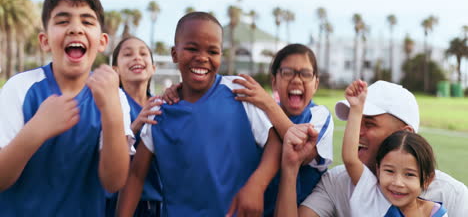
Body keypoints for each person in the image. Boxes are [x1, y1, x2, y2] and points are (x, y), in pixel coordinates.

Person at [117, 12, 293, 216]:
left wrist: (257, 185)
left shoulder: (238, 91)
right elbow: (136, 174)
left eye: (212, 51)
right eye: (192, 48)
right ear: (174, 54)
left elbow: (275, 142)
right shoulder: (159, 111)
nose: (202, 57)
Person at [0, 0, 134, 216]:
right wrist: (36, 130)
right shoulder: (20, 88)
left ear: (102, 41)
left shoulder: (114, 95)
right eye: (63, 21)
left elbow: (114, 181)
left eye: (87, 21)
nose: (75, 29)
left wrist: (111, 111)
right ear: (44, 40)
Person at [276, 80, 468, 217]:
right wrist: (291, 167)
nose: (356, 132)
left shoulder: (453, 195)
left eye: (369, 124)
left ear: (404, 134)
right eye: (354, 120)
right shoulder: (336, 182)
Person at [228, 43, 334, 214]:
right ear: (274, 81)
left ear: (315, 84)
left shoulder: (319, 115)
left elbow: (301, 150)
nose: (296, 79)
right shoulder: (259, 114)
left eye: (305, 74)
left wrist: (269, 103)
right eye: (287, 73)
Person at [342, 80, 447, 216]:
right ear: (378, 170)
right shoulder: (372, 195)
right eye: (390, 171)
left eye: (409, 174)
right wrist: (356, 109)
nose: (397, 183)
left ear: (427, 179)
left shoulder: (437, 213)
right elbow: (350, 159)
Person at [107, 36, 163, 217]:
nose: (137, 57)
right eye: (128, 54)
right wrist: (133, 128)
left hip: (155, 205)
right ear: (115, 70)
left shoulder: (163, 107)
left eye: (143, 53)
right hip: (114, 205)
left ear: (153, 68)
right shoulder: (110, 106)